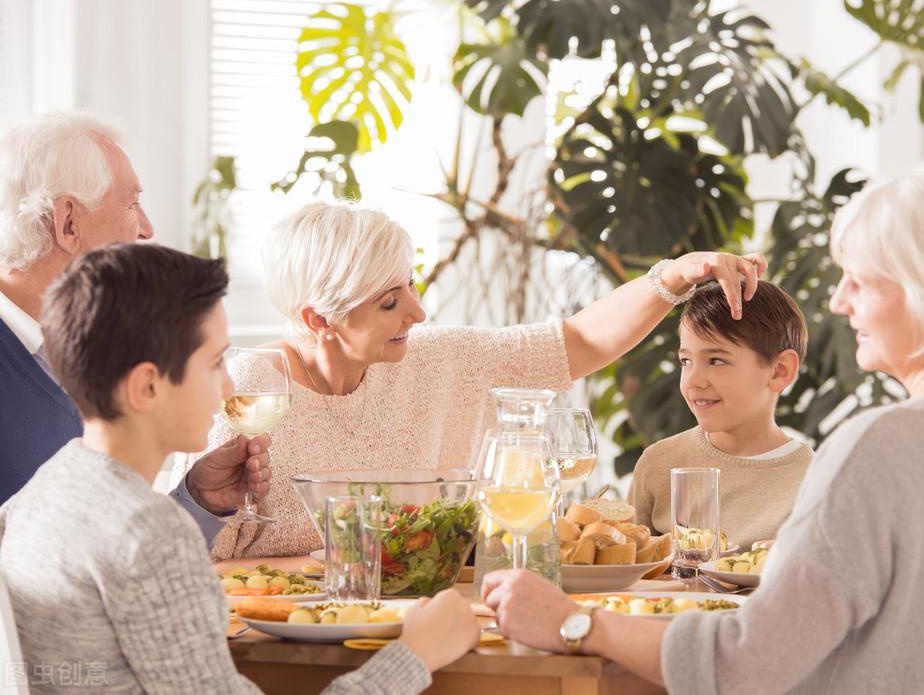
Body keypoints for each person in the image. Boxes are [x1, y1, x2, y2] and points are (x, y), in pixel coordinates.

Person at [481, 160, 924, 693]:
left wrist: (573, 621)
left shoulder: (884, 447)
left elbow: (743, 666)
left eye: (861, 280)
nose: (841, 302)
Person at [0, 243, 480, 693]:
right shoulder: (149, 532)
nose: (229, 385)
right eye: (214, 363)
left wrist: (199, 496)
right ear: (147, 387)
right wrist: (415, 654)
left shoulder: (44, 490)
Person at [182, 201, 767, 560]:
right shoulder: (244, 389)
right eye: (391, 302)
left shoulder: (437, 360)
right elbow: (184, 548)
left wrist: (674, 276)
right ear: (318, 320)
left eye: (412, 286)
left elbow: (578, 343)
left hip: (426, 630)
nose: (417, 312)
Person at [0, 112, 267, 546]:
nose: (146, 229)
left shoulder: (93, 349)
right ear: (68, 222)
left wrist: (198, 499)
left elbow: (109, 552)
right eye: (131, 203)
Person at [626, 281, 813, 550]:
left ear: (779, 371)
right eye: (686, 361)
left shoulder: (813, 482)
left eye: (716, 361)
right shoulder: (658, 464)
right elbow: (627, 576)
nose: (694, 381)